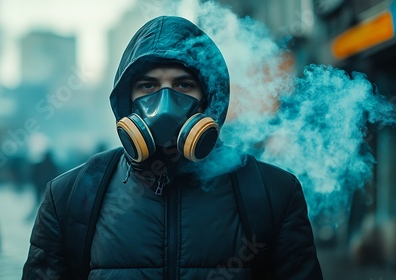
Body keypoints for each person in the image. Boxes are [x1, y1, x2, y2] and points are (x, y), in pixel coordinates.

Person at [22, 16, 323, 279]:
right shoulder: (70, 197)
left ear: (209, 101)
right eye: (148, 86)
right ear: (127, 101)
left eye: (183, 85)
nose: (165, 104)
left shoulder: (273, 192)